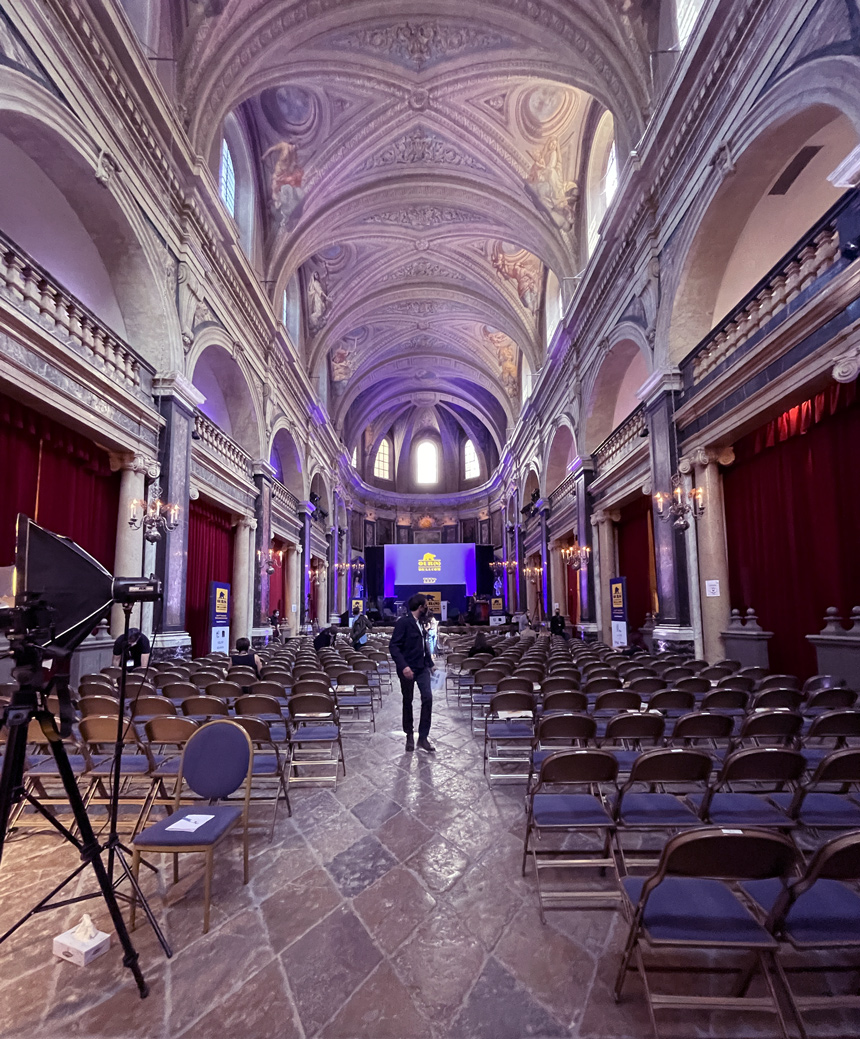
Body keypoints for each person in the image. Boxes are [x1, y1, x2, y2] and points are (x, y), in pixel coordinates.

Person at [389, 593, 437, 753]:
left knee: (428, 698)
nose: (427, 608)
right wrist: (404, 667)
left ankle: (423, 737)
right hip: (407, 669)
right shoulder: (404, 623)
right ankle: (409, 734)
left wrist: (430, 664)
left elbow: (423, 646)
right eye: (425, 605)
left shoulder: (421, 623)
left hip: (422, 667)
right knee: (407, 700)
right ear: (420, 607)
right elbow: (394, 646)